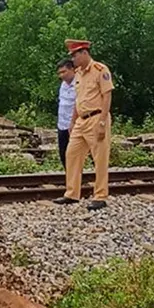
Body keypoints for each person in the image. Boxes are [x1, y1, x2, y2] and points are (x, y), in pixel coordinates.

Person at [54, 39, 114, 211]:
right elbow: (78, 100)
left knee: (100, 158)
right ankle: (72, 193)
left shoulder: (100, 70)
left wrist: (103, 121)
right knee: (71, 154)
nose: (73, 59)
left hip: (96, 117)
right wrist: (73, 120)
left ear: (84, 53)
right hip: (81, 119)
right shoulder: (79, 73)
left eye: (75, 55)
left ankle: (100, 195)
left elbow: (107, 96)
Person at [56, 59, 77, 168]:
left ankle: (76, 179)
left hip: (74, 125)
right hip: (62, 124)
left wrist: (74, 122)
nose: (61, 75)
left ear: (72, 69)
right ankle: (70, 178)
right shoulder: (63, 85)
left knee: (74, 154)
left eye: (64, 72)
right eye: (59, 73)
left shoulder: (79, 83)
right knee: (63, 154)